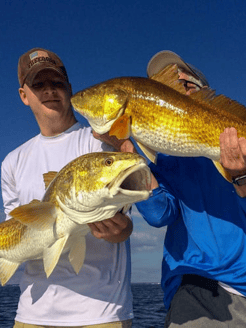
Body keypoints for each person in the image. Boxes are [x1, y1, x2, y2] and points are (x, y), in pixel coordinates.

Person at [95, 51, 246, 327]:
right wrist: (128, 152)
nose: (173, 89)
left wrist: (241, 177)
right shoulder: (163, 157)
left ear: (205, 92)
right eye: (162, 86)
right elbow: (159, 214)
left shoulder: (235, 138)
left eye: (184, 83)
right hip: (194, 284)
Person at [1, 48, 133, 328]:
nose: (49, 90)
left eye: (57, 83)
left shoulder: (101, 146)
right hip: (31, 315)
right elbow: (14, 228)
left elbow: (126, 222)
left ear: (70, 89)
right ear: (24, 95)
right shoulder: (12, 162)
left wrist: (122, 230)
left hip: (102, 313)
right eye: (39, 84)